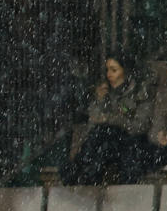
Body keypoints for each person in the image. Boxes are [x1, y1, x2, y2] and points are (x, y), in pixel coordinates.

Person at [63, 54, 158, 186]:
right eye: (107, 70)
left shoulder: (140, 93)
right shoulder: (105, 93)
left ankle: (84, 174)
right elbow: (93, 121)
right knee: (100, 138)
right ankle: (85, 174)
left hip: (130, 143)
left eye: (114, 70)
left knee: (104, 135)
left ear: (125, 71)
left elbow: (139, 126)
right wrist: (100, 101)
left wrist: (111, 119)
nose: (109, 75)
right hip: (106, 143)